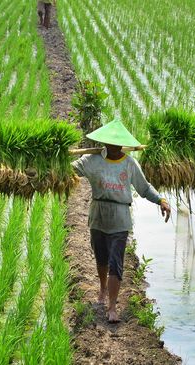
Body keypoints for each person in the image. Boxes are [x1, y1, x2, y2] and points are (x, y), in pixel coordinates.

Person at [71, 119, 171, 323]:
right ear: (104, 143)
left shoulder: (129, 163)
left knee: (116, 262)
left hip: (120, 218)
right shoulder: (92, 161)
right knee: (101, 259)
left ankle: (112, 307)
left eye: (116, 143)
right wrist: (52, 163)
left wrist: (161, 200)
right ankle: (102, 288)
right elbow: (71, 170)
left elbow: (144, 188)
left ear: (122, 144)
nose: (112, 146)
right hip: (98, 215)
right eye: (108, 143)